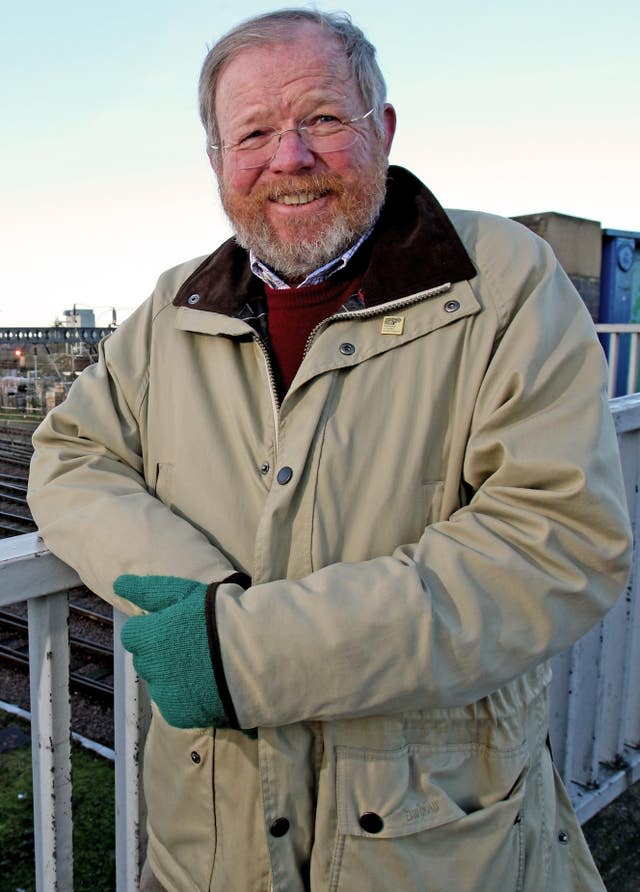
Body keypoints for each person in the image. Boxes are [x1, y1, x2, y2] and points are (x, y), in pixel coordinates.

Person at [27, 9, 631, 892]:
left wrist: (244, 653)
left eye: (321, 119)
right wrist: (197, 599)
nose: (290, 157)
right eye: (255, 133)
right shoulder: (173, 310)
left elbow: (560, 540)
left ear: (381, 129)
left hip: (433, 846)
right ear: (218, 163)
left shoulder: (501, 280)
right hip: (209, 849)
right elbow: (71, 452)